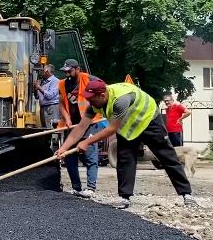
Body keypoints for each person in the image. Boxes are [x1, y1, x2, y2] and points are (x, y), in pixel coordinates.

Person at [57, 79, 197, 209]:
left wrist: (87, 142)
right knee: (125, 159)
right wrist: (63, 149)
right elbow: (80, 129)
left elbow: (111, 129)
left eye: (92, 100)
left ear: (103, 95)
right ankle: (125, 198)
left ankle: (186, 194)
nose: (90, 103)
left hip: (148, 119)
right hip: (128, 126)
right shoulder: (93, 104)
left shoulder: (120, 100)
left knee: (167, 156)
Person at [57, 59, 103, 198]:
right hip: (73, 125)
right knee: (69, 157)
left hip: (89, 122)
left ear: (77, 69)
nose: (67, 74)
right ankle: (76, 187)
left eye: (70, 71)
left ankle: (90, 188)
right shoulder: (62, 84)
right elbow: (61, 104)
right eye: (65, 71)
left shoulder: (88, 79)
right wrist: (68, 119)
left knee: (90, 154)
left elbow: (103, 90)